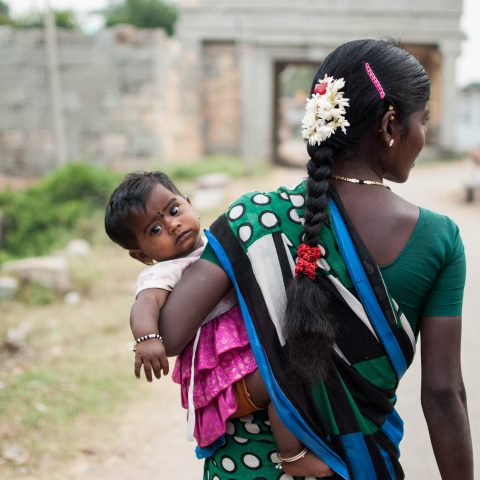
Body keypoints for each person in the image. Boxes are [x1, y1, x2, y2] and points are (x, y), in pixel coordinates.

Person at [148, 39, 474, 479]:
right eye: (424, 120)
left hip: (249, 468)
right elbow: (442, 394)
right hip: (362, 466)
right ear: (391, 125)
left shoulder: (253, 219)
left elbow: (167, 336)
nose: (424, 135)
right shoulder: (439, 239)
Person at [104, 171, 333, 477]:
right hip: (222, 374)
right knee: (283, 374)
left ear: (189, 204)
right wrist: (147, 338)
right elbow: (144, 304)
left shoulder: (223, 241)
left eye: (174, 210)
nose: (172, 224)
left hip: (248, 357)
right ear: (142, 255)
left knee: (295, 369)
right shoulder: (167, 271)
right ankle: (292, 455)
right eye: (155, 229)